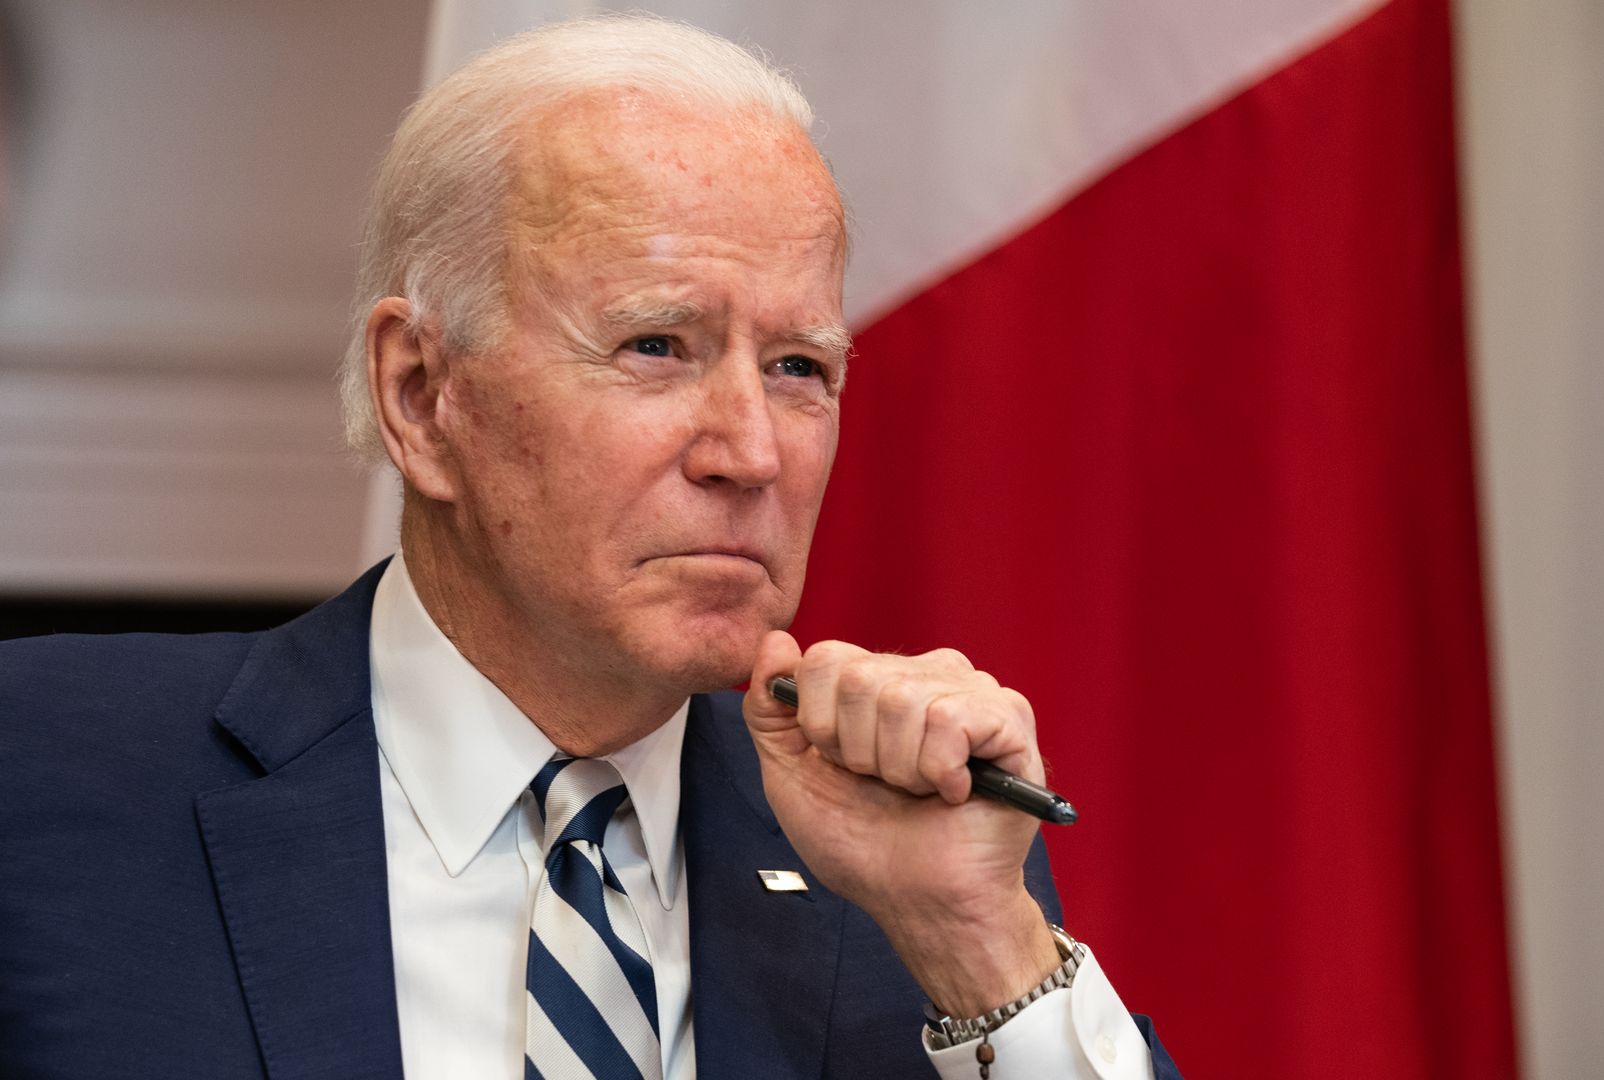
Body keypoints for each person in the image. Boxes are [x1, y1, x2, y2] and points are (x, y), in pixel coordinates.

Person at [0, 15, 1181, 1080]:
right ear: (421, 396)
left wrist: (977, 944)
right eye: (657, 346)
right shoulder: (46, 775)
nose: (752, 452)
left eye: (798, 369)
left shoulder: (911, 863)